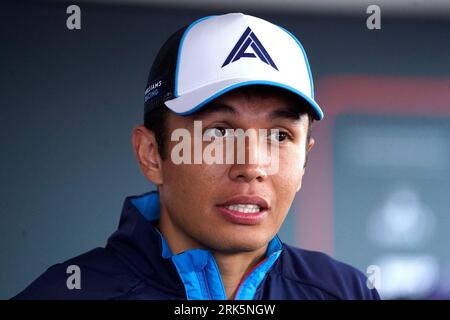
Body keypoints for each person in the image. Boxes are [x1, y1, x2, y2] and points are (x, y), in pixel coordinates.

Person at [13, 13, 379, 300]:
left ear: (304, 162)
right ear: (152, 154)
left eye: (279, 135)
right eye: (219, 132)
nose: (252, 166)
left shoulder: (349, 292)